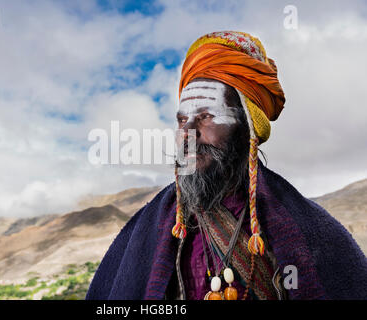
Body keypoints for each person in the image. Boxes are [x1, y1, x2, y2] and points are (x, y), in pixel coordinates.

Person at [85, 31, 367, 300]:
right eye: (182, 120)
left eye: (206, 116)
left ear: (246, 127)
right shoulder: (150, 226)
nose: (188, 133)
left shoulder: (307, 227)